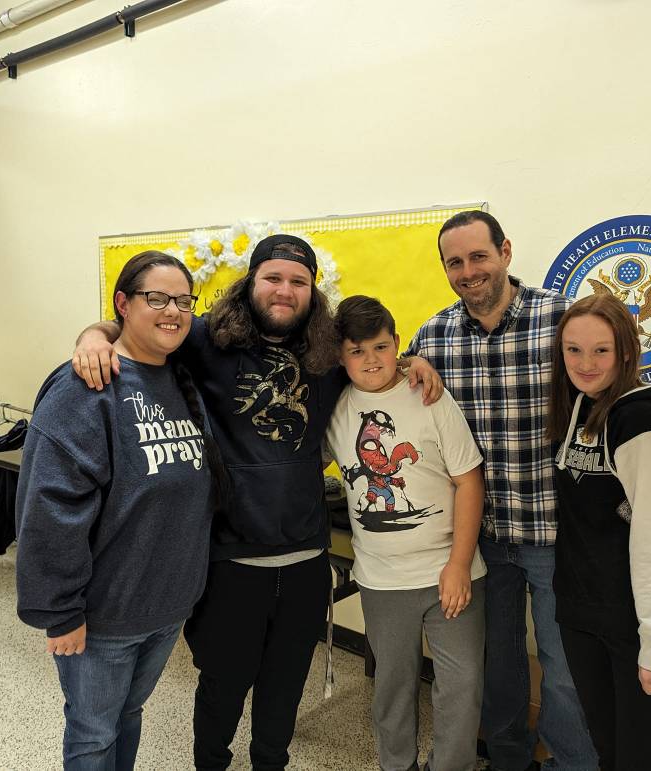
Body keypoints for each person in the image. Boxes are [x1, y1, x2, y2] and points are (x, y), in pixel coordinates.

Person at [71, 235, 442, 771]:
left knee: (284, 690)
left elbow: (377, 358)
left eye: (298, 281)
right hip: (230, 563)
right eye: (274, 278)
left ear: (312, 292)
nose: (285, 290)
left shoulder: (327, 353)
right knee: (222, 690)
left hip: (305, 562)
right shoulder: (207, 340)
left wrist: (413, 363)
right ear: (251, 283)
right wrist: (92, 335)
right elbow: (143, 325)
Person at [15, 250, 223, 769]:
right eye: (156, 298)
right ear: (123, 305)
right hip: (103, 615)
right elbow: (49, 508)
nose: (172, 311)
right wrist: (59, 612)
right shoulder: (85, 388)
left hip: (165, 606)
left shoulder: (180, 378)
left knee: (128, 716)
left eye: (182, 300)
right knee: (92, 736)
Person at [406, 211, 598, 771]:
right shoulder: (434, 335)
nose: (468, 272)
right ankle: (510, 761)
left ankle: (572, 764)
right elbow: (382, 381)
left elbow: (617, 386)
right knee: (498, 667)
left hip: (558, 533)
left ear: (506, 251)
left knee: (565, 669)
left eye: (478, 256)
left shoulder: (562, 317)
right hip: (481, 541)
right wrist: (406, 361)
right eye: (455, 262)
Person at [323, 295, 487, 771]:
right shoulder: (337, 408)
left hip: (450, 573)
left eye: (380, 348)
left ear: (397, 344)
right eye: (357, 351)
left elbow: (468, 479)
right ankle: (397, 765)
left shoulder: (430, 397)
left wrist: (458, 564)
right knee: (392, 686)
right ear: (341, 355)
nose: (371, 361)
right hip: (382, 579)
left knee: (461, 684)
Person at [548, 293, 651, 771]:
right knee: (610, 752)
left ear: (626, 351)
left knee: (640, 759)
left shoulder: (642, 419)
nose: (585, 363)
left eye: (601, 350)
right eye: (573, 350)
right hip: (584, 615)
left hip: (640, 625)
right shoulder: (579, 406)